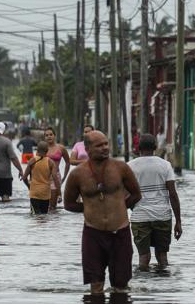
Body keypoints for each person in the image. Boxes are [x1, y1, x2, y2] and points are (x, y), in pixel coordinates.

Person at [64, 130, 142, 294]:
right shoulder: (77, 174)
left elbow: (136, 194)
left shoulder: (121, 168)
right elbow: (69, 204)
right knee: (96, 285)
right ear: (88, 148)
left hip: (120, 231)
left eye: (106, 144)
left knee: (121, 287)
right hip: (93, 233)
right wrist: (90, 208)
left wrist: (120, 206)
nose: (105, 148)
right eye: (99, 145)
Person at [128, 133, 182, 270]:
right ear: (155, 147)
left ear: (138, 147)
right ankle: (162, 287)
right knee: (162, 256)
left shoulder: (130, 166)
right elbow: (173, 195)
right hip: (162, 216)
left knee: (144, 257)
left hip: (140, 217)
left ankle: (143, 285)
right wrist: (178, 222)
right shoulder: (165, 165)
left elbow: (124, 195)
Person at [23, 140, 61, 214]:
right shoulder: (51, 162)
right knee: (44, 217)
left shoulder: (32, 160)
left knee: (35, 217)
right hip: (45, 194)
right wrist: (59, 194)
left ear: (37, 150)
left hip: (34, 193)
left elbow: (24, 178)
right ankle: (44, 226)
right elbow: (56, 179)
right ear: (47, 151)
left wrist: (29, 186)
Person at [43, 126, 70, 207]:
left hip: (56, 178)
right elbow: (36, 163)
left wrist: (64, 177)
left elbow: (68, 162)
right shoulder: (42, 148)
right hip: (44, 177)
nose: (49, 137)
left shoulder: (61, 148)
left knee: (53, 206)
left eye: (51, 134)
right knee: (44, 205)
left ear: (54, 135)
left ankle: (54, 220)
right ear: (44, 137)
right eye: (47, 135)